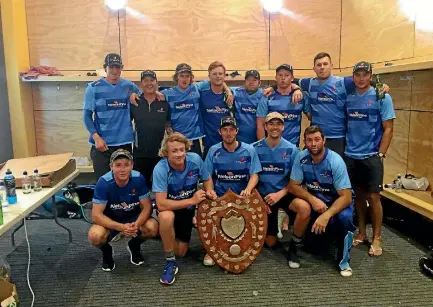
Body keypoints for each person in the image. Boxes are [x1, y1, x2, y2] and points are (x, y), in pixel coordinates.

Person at [263, 53, 389, 157]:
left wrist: (378, 85)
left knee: (334, 174)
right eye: (319, 65)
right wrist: (274, 87)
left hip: (337, 137)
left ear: (331, 66)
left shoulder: (343, 83)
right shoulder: (310, 83)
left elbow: (362, 80)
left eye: (325, 64)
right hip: (315, 137)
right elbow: (288, 80)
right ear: (314, 69)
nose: (322, 67)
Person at [288, 125, 355, 277]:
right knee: (315, 247)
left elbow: (346, 196)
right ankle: (297, 245)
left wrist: (327, 215)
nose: (313, 144)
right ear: (305, 142)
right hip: (317, 203)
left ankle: (343, 260)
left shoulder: (335, 161)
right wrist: (312, 199)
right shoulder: (302, 157)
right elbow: (293, 186)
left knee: (345, 218)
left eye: (317, 139)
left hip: (337, 202)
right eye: (309, 140)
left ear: (324, 140)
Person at [345, 61, 395, 256]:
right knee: (358, 196)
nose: (361, 78)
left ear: (371, 75)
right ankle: (362, 233)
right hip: (350, 154)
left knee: (374, 197)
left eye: (365, 75)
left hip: (371, 156)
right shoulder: (349, 97)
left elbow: (388, 128)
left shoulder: (382, 96)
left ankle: (377, 237)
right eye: (357, 75)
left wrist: (380, 154)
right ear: (353, 76)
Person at [152, 132, 212, 285]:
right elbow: (161, 204)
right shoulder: (160, 169)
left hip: (187, 210)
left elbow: (207, 178)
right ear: (166, 152)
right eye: (174, 151)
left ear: (186, 149)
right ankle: (170, 262)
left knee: (181, 252)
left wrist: (209, 191)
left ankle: (167, 233)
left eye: (181, 149)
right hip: (170, 209)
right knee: (166, 217)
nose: (179, 154)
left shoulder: (195, 160)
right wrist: (191, 200)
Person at [253, 112, 311, 268]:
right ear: (265, 126)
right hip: (264, 197)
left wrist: (280, 194)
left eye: (278, 124)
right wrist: (259, 201)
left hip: (284, 193)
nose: (274, 127)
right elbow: (250, 180)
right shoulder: (255, 149)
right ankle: (276, 222)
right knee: (271, 243)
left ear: (283, 127)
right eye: (271, 124)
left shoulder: (292, 150)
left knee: (304, 208)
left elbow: (296, 180)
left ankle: (293, 247)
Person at [203, 116, 262, 265]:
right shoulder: (213, 150)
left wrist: (248, 189)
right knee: (207, 206)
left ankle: (246, 246)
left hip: (242, 196)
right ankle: (211, 250)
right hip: (220, 196)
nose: (228, 133)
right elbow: (207, 176)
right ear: (220, 132)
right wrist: (210, 191)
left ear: (236, 131)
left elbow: (254, 175)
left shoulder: (249, 150)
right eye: (225, 130)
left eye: (231, 130)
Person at [88, 149, 158, 271]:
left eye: (126, 165)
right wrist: (121, 227)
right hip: (111, 219)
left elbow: (147, 207)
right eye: (118, 165)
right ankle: (106, 251)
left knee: (152, 228)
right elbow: (96, 215)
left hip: (133, 217)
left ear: (132, 165)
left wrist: (136, 225)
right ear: (111, 167)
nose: (123, 169)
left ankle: (134, 245)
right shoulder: (103, 182)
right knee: (95, 236)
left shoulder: (138, 178)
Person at [83, 53, 142, 179]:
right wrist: (96, 137)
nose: (114, 70)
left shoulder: (129, 86)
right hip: (102, 145)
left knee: (124, 182)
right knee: (104, 183)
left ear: (121, 68)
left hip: (124, 143)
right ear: (105, 68)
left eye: (117, 67)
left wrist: (135, 95)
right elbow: (87, 116)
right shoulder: (93, 88)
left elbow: (148, 93)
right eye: (111, 67)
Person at [131, 70, 170, 187]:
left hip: (161, 155)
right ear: (141, 84)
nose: (149, 83)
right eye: (146, 81)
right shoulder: (134, 102)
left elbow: (169, 124)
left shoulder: (164, 103)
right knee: (141, 189)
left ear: (157, 83)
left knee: (161, 188)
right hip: (140, 155)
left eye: (152, 80)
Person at [256, 64, 310, 147]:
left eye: (287, 75)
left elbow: (313, 118)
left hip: (293, 148)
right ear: (276, 77)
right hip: (272, 147)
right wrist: (262, 147)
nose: (283, 78)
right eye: (280, 75)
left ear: (292, 78)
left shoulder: (301, 96)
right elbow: (260, 124)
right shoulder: (267, 97)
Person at [200, 61, 235, 157]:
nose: (218, 76)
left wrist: (272, 88)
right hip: (209, 144)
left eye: (220, 74)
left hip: (228, 144)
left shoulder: (233, 94)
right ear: (209, 76)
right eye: (214, 74)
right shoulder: (201, 94)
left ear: (224, 76)